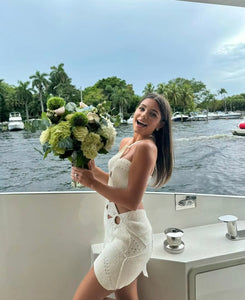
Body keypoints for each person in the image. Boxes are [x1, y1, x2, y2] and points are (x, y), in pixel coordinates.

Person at [71, 93, 174, 300]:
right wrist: (92, 170)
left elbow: (132, 200)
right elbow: (117, 181)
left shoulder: (146, 148)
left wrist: (92, 183)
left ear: (160, 124)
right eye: (142, 108)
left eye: (152, 114)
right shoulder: (128, 142)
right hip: (116, 231)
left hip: (130, 238)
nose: (143, 115)